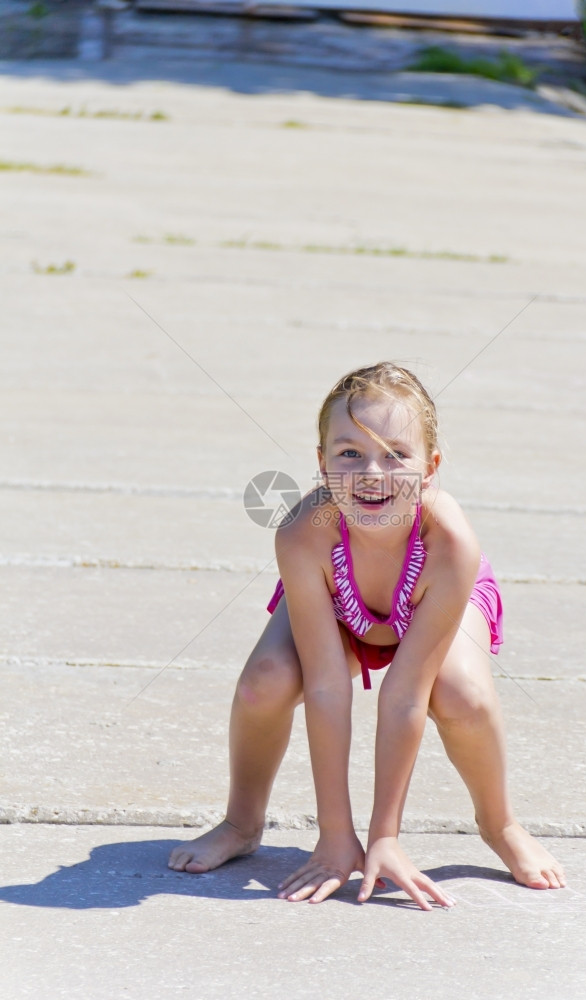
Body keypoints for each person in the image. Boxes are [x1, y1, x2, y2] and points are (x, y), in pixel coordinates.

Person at [169, 362, 565, 909]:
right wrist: (336, 835)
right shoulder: (304, 537)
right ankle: (241, 821)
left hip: (426, 600)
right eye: (349, 453)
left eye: (396, 454)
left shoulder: (449, 542)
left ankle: (500, 824)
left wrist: (385, 836)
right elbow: (327, 687)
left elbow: (406, 693)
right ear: (322, 464)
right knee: (266, 682)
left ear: (430, 468)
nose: (371, 473)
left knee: (461, 695)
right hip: (340, 606)